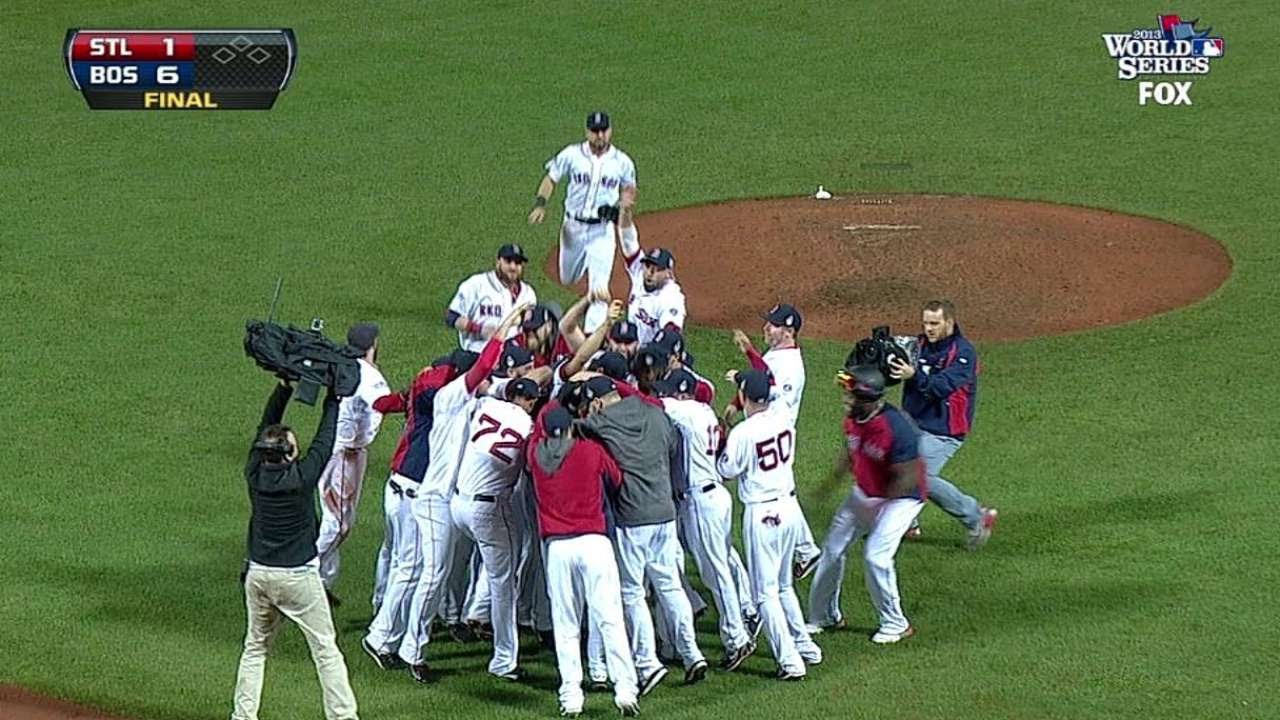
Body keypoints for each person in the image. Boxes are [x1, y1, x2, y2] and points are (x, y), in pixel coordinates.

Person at [397, 305, 528, 681]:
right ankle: (413, 649)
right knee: (433, 574)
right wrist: (506, 325)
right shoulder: (454, 396)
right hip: (436, 499)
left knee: (441, 573)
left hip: (452, 499)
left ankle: (442, 629)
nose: (490, 381)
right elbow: (486, 367)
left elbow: (504, 381)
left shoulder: (475, 397)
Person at [232, 380, 358, 720]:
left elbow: (265, 426)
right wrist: (333, 398)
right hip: (298, 580)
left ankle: (242, 717)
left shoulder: (254, 473)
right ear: (289, 453)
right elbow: (325, 439)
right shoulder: (301, 478)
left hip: (258, 575)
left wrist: (283, 388)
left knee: (255, 648)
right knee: (325, 651)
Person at [577, 376, 709, 692]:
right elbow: (674, 445)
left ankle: (647, 663)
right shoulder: (656, 414)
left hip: (632, 518)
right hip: (665, 513)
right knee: (670, 585)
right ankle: (692, 654)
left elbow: (576, 429)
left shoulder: (599, 422)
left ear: (596, 402)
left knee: (633, 592)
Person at [362, 351, 477, 671]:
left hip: (400, 487)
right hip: (410, 492)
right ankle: (380, 637)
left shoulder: (428, 383)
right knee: (409, 568)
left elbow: (395, 400)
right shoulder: (434, 395)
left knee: (402, 564)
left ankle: (385, 631)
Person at [527, 405, 640, 718]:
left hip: (558, 550)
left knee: (566, 625)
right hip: (594, 543)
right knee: (610, 619)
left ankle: (571, 696)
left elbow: (537, 440)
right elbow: (616, 479)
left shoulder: (536, 457)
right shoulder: (590, 451)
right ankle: (625, 689)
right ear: (572, 428)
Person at [806, 366, 926, 644]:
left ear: (867, 398)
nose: (845, 400)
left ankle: (896, 623)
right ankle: (824, 615)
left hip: (901, 499)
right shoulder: (853, 419)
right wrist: (829, 485)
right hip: (866, 493)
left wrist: (878, 510)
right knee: (832, 549)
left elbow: (909, 476)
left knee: (876, 556)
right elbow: (849, 455)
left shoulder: (896, 428)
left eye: (850, 395)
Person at [716, 370, 821, 681]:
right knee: (784, 585)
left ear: (746, 398)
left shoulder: (744, 433)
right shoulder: (784, 414)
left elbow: (728, 469)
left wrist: (723, 437)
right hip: (790, 508)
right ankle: (806, 646)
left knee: (765, 594)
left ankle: (790, 662)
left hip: (763, 514)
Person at [656, 369, 757, 670]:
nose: (668, 397)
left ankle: (737, 638)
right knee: (719, 566)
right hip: (712, 496)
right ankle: (740, 626)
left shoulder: (685, 411)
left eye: (672, 392)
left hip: (702, 499)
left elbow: (651, 403)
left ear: (683, 394)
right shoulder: (704, 411)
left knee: (716, 572)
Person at [450, 377, 542, 680]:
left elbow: (487, 389)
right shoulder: (528, 429)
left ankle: (462, 614)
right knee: (504, 582)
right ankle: (504, 660)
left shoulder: (487, 406)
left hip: (457, 503)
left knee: (457, 564)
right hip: (488, 510)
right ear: (530, 402)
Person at [887, 299, 997, 549]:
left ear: (949, 322)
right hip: (913, 422)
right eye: (926, 323)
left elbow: (939, 388)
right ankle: (908, 523)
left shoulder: (963, 353)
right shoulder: (919, 345)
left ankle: (977, 517)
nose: (929, 328)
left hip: (944, 429)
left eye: (935, 323)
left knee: (918, 475)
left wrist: (913, 375)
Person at [729, 304, 822, 579]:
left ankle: (806, 549)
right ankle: (806, 550)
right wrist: (736, 404)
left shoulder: (792, 366)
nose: (766, 328)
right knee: (783, 490)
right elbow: (760, 382)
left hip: (775, 431)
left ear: (789, 331)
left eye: (773, 325)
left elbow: (768, 391)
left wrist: (748, 354)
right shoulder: (777, 354)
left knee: (779, 490)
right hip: (764, 426)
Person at [528, 110, 637, 332]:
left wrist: (623, 205)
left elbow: (629, 187)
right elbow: (551, 178)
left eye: (603, 131)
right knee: (567, 277)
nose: (600, 136)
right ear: (587, 132)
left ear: (610, 131)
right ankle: (586, 270)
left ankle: (590, 339)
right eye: (595, 131)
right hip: (572, 227)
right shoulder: (572, 155)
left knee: (599, 289)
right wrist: (541, 204)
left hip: (602, 231)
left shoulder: (622, 162)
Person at [316, 323, 389, 605]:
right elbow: (381, 408)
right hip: (345, 455)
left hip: (334, 447)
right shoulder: (371, 378)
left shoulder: (341, 364)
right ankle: (295, 571)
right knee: (339, 524)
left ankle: (321, 582)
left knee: (337, 520)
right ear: (373, 345)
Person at [446, 244, 538, 352]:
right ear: (498, 262)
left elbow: (531, 325)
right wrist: (479, 329)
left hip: (511, 357)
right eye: (508, 261)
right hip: (476, 354)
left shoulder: (528, 294)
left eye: (517, 262)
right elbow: (451, 316)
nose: (513, 267)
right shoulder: (476, 284)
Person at [616, 209, 686, 345]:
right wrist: (625, 213)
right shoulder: (638, 272)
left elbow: (671, 335)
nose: (650, 273)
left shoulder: (671, 298)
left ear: (668, 274)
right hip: (629, 347)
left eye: (657, 269)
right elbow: (628, 239)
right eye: (648, 266)